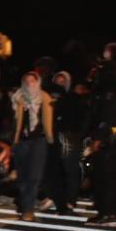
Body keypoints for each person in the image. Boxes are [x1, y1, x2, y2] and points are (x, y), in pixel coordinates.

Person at [84, 61, 116, 224]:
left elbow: (108, 118)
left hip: (109, 138)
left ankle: (106, 212)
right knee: (113, 176)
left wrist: (98, 138)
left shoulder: (109, 91)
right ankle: (114, 211)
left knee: (104, 177)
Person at [43, 72, 89, 215]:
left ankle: (70, 199)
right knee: (53, 168)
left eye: (63, 82)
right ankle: (54, 196)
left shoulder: (75, 99)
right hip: (52, 136)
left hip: (69, 136)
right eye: (57, 81)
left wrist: (79, 136)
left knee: (70, 169)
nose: (60, 84)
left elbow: (84, 119)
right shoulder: (46, 97)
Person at [11, 72, 54, 221]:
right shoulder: (16, 98)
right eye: (27, 81)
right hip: (21, 141)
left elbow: (51, 121)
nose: (30, 84)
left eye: (33, 81)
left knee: (35, 176)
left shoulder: (45, 98)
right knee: (22, 176)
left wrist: (52, 140)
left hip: (39, 141)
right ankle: (24, 205)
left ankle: (28, 210)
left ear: (38, 82)